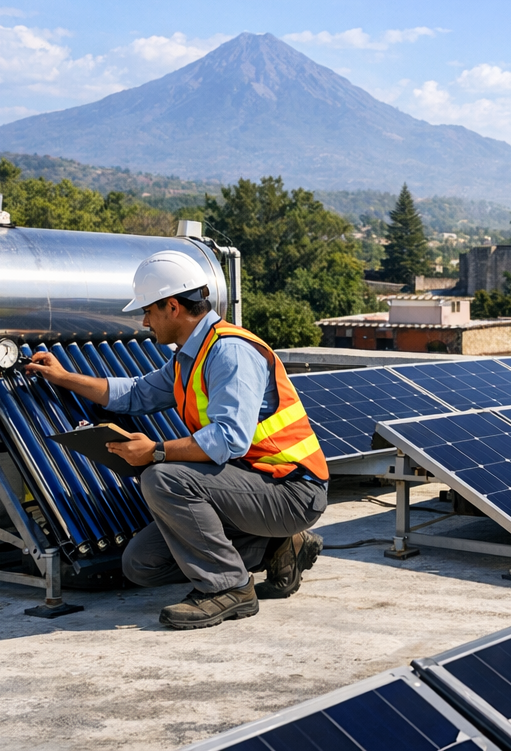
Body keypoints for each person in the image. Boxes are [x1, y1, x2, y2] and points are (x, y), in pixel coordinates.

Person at [24, 250, 330, 629]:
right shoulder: (190, 356)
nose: (144, 320)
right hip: (242, 488)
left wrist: (154, 451)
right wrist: (64, 377)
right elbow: (135, 394)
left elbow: (228, 439)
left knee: (161, 476)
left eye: (148, 311)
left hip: (290, 491)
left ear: (172, 307)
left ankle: (229, 589)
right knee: (141, 565)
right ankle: (280, 546)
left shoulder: (230, 352)